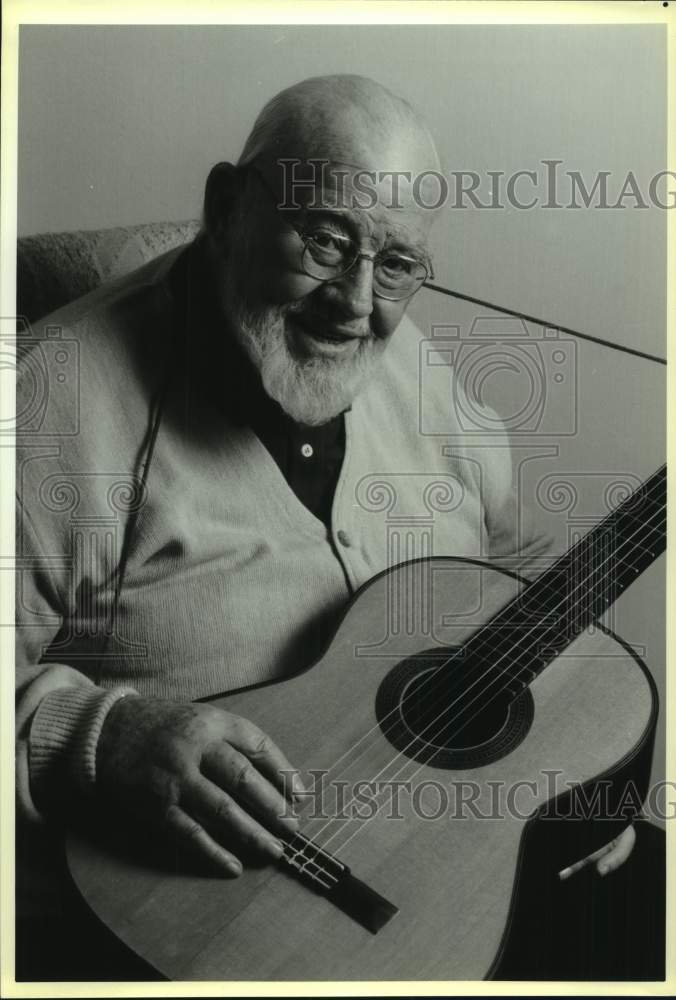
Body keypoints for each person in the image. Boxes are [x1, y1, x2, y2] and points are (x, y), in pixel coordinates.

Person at [15, 74, 639, 979]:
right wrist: (99, 739)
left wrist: (576, 777)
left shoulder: (406, 363)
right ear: (226, 208)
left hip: (446, 881)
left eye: (395, 265)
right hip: (163, 933)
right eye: (326, 239)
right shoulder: (47, 407)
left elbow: (519, 569)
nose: (354, 300)